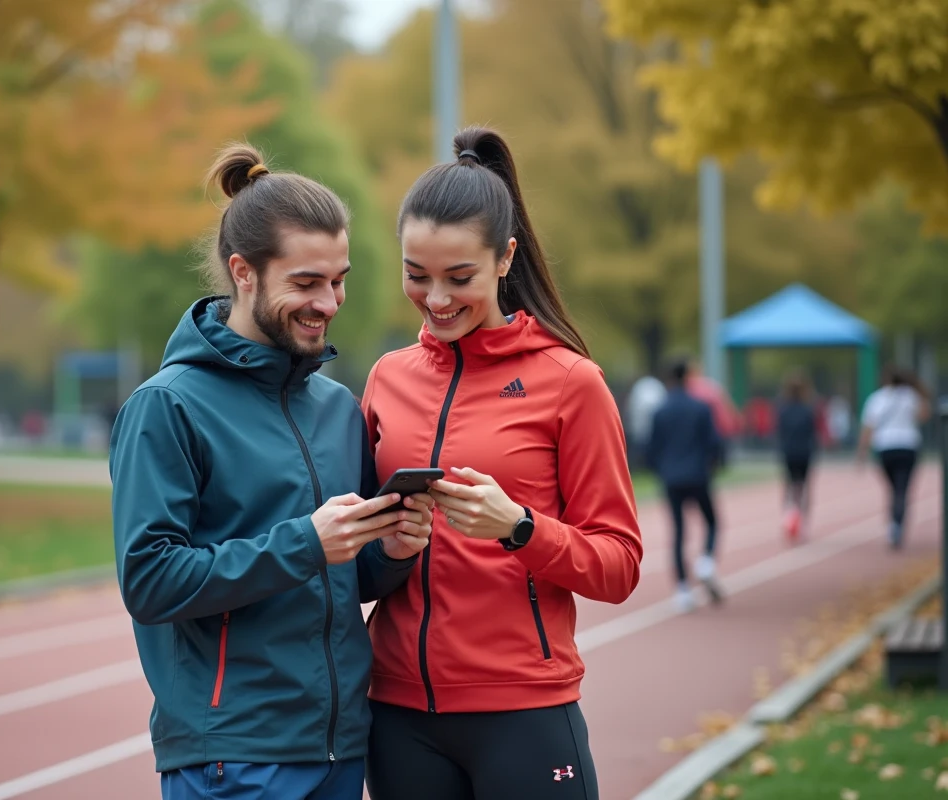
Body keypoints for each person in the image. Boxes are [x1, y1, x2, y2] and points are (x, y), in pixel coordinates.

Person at [108, 144, 435, 800]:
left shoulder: (338, 409)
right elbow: (149, 580)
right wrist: (305, 542)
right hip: (232, 758)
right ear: (244, 272)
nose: (330, 301)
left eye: (339, 279)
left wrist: (391, 553)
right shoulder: (166, 407)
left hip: (341, 749)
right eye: (307, 282)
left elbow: (344, 579)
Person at [360, 126, 643, 800]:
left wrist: (519, 527)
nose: (435, 299)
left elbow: (619, 565)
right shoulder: (385, 379)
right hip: (398, 713)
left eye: (459, 278)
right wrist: (388, 548)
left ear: (505, 257)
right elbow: (361, 562)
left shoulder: (572, 382)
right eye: (415, 275)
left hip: (523, 712)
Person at [648, 358, 724, 612]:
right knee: (712, 521)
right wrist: (714, 465)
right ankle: (706, 560)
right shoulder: (701, 408)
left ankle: (682, 589)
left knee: (678, 532)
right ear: (688, 378)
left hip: (671, 478)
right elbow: (714, 442)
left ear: (669, 379)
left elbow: (651, 449)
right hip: (698, 475)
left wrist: (661, 470)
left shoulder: (660, 411)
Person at [857, 365, 931, 549]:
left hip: (885, 447)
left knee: (894, 489)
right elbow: (924, 415)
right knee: (901, 489)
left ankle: (894, 523)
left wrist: (862, 452)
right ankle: (897, 524)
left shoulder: (877, 398)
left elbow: (868, 427)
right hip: (908, 446)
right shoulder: (911, 396)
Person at [776, 368, 818, 542]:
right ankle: (801, 521)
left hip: (788, 452)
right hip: (804, 452)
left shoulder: (782, 410)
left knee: (788, 486)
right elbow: (812, 432)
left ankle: (788, 516)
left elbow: (780, 432)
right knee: (803, 487)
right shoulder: (808, 410)